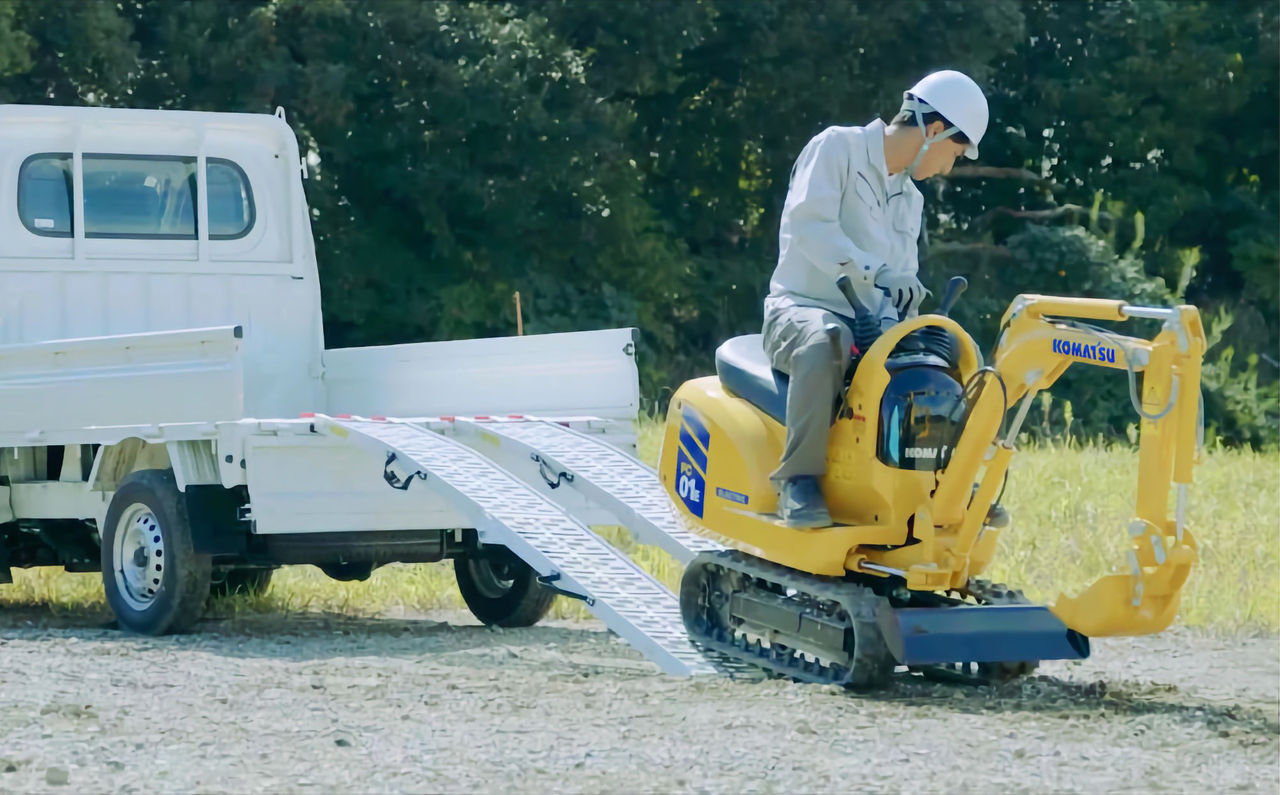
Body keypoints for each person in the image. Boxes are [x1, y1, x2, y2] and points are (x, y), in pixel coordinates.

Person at [763, 69, 989, 527]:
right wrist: (875, 270)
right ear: (934, 130)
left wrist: (914, 323)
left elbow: (900, 284)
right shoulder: (836, 148)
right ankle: (798, 482)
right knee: (828, 338)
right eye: (953, 154)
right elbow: (809, 227)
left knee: (960, 356)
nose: (948, 167)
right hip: (799, 313)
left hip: (873, 327)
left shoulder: (912, 200)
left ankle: (958, 483)